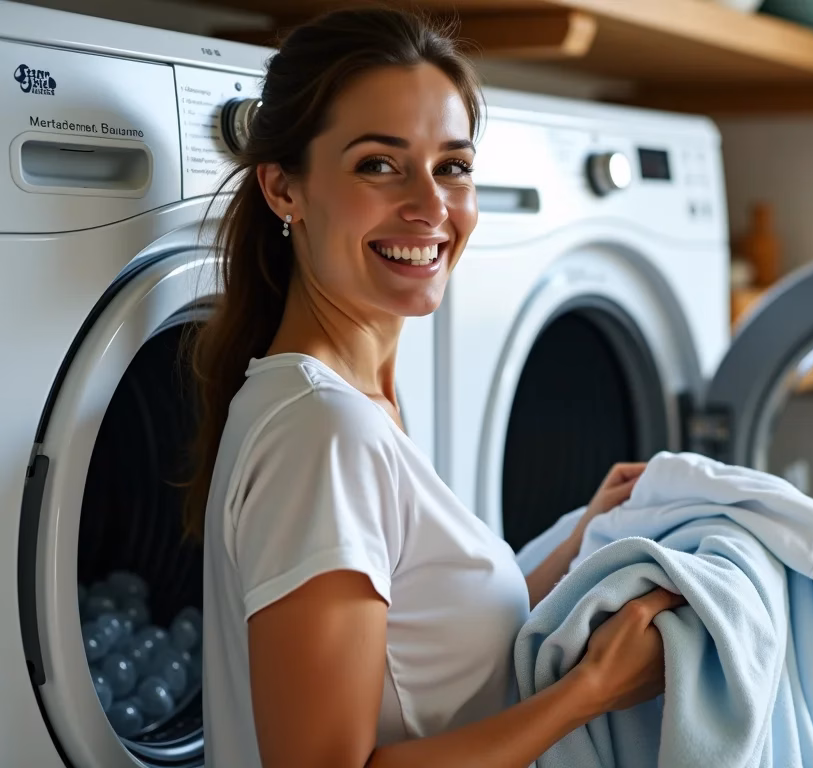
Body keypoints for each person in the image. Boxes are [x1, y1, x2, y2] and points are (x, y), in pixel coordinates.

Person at [183, 7, 684, 767]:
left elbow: (421, 657)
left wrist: (585, 533)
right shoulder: (324, 432)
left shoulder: (356, 406)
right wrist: (590, 691)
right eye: (378, 165)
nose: (430, 207)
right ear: (285, 190)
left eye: (452, 166)